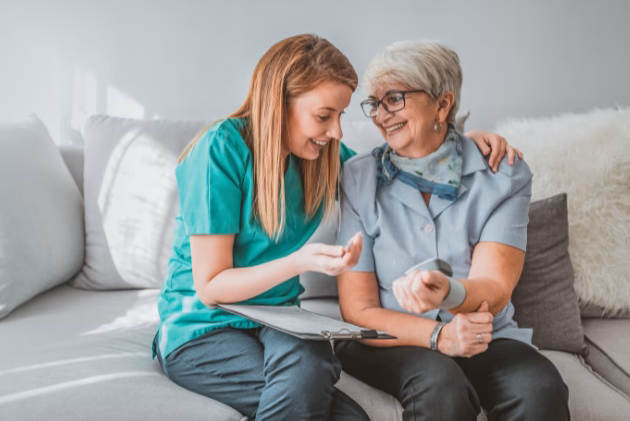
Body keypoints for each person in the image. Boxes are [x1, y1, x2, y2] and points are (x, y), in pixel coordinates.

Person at [153, 34, 520, 421]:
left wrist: (459, 146)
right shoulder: (219, 151)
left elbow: (394, 166)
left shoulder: (320, 157)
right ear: (280, 104)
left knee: (318, 366)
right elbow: (211, 287)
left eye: (341, 116)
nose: (337, 132)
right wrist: (300, 261)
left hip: (276, 321)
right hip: (201, 329)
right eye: (324, 115)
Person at [334, 40, 570, 420]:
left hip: (483, 333)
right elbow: (358, 308)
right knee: (440, 386)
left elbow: (494, 288)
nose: (380, 116)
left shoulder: (502, 174)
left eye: (394, 99)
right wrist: (439, 337)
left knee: (538, 388)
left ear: (442, 104)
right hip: (390, 339)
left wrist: (450, 293)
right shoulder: (358, 177)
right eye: (374, 103)